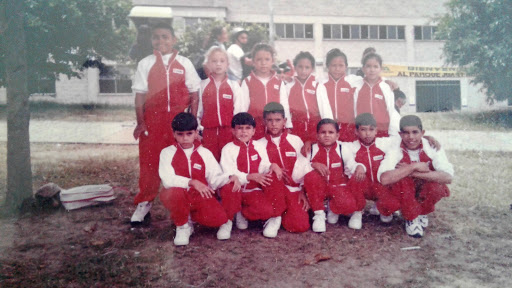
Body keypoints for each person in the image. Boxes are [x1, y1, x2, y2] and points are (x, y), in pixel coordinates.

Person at [130, 22, 201, 224]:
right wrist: (140, 122)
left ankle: (184, 206)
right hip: (153, 122)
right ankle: (144, 203)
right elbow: (140, 96)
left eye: (165, 37)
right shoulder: (146, 63)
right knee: (149, 164)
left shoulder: (185, 63)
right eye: (156, 37)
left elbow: (195, 94)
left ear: (174, 39)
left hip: (178, 123)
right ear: (151, 40)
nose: (161, 41)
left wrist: (192, 122)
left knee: (181, 162)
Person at [158, 112, 241, 245]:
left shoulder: (204, 153)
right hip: (178, 194)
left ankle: (192, 216)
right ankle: (183, 226)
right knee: (174, 192)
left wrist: (229, 177)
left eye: (189, 134)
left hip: (199, 196)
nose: (185, 138)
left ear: (196, 133)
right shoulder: (167, 153)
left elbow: (215, 179)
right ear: (174, 133)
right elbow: (167, 180)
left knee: (218, 219)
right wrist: (191, 182)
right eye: (180, 134)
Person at [378, 115, 453, 238]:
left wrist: (413, 171)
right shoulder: (395, 147)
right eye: (406, 133)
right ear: (400, 134)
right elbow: (385, 179)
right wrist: (413, 167)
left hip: (423, 187)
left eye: (415, 132)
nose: (411, 137)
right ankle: (411, 217)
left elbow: (448, 177)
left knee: (436, 187)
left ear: (422, 133)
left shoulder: (431, 145)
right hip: (404, 190)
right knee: (402, 181)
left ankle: (421, 211)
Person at [219, 112, 288, 238]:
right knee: (230, 184)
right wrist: (248, 177)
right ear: (233, 131)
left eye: (248, 128)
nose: (244, 132)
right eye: (240, 128)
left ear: (253, 131)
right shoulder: (228, 149)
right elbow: (228, 172)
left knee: (274, 178)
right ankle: (227, 222)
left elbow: (264, 165)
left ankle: (270, 218)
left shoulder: (258, 146)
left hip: (253, 191)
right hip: (237, 190)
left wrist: (272, 165)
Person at [255, 102, 311, 233]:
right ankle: (275, 216)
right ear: (264, 121)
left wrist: (302, 190)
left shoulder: (295, 140)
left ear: (284, 121)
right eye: (270, 120)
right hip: (272, 191)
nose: (274, 124)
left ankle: (287, 212)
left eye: (278, 120)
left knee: (299, 226)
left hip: (293, 190)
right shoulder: (259, 144)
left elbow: (304, 166)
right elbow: (259, 169)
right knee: (272, 173)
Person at [302, 119, 366, 232]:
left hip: (338, 187)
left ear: (337, 135)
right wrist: (312, 164)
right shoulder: (311, 149)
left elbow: (351, 165)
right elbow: (299, 169)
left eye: (331, 132)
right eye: (323, 132)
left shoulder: (342, 148)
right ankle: (319, 215)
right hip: (320, 189)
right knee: (310, 176)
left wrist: (360, 166)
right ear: (317, 135)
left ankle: (354, 212)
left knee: (357, 177)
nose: (327, 135)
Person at [197, 47, 243, 161]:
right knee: (209, 162)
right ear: (208, 64)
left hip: (229, 132)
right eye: (214, 61)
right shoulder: (202, 86)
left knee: (229, 161)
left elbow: (239, 111)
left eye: (222, 61)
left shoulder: (234, 85)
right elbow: (198, 111)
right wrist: (197, 129)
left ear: (227, 64)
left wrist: (237, 130)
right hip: (208, 133)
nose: (218, 64)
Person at [241, 43, 291, 139]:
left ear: (273, 61)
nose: (263, 63)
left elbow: (285, 105)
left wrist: (288, 125)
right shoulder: (247, 81)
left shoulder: (279, 82)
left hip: (274, 127)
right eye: (259, 59)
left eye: (267, 59)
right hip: (255, 128)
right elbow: (243, 107)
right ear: (253, 62)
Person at [286, 51, 333, 144]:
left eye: (307, 67)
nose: (303, 71)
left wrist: (328, 129)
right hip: (296, 131)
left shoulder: (318, 86)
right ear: (295, 67)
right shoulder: (288, 87)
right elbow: (286, 111)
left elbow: (326, 111)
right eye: (300, 67)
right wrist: (288, 127)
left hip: (316, 131)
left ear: (312, 69)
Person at [353, 53, 400, 138]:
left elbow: (391, 111)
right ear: (363, 69)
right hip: (363, 133)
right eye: (368, 66)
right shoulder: (356, 87)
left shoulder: (386, 88)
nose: (372, 70)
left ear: (380, 69)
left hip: (382, 132)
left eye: (375, 67)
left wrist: (393, 133)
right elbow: (354, 110)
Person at [321, 48, 360, 142]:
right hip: (329, 131)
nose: (337, 69)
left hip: (349, 130)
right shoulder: (321, 84)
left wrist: (389, 82)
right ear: (327, 66)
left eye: (341, 65)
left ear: (346, 66)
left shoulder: (354, 82)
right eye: (334, 65)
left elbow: (371, 80)